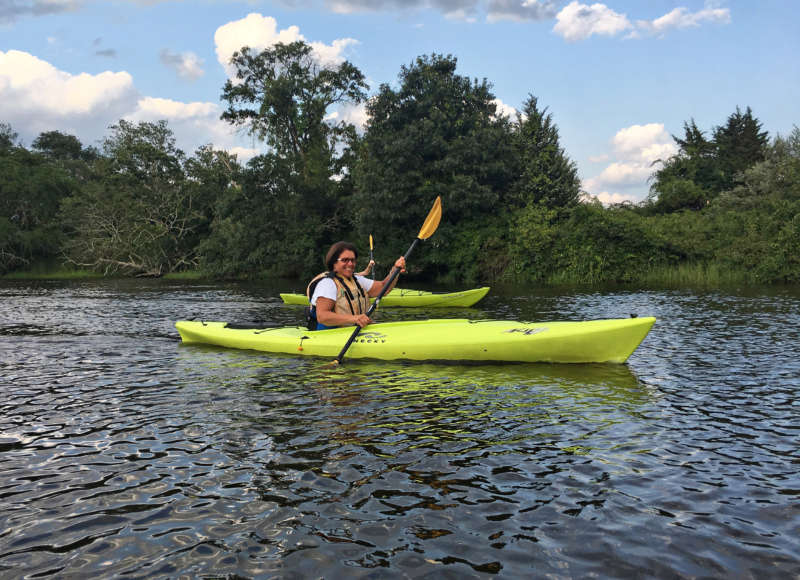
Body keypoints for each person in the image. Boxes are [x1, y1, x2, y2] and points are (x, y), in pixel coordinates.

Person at [306, 241, 405, 330]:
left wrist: (395, 270)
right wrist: (355, 319)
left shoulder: (357, 280)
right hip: (329, 336)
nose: (350, 264)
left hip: (353, 332)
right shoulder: (328, 284)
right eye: (345, 260)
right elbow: (323, 316)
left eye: (353, 260)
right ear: (334, 262)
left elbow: (383, 288)